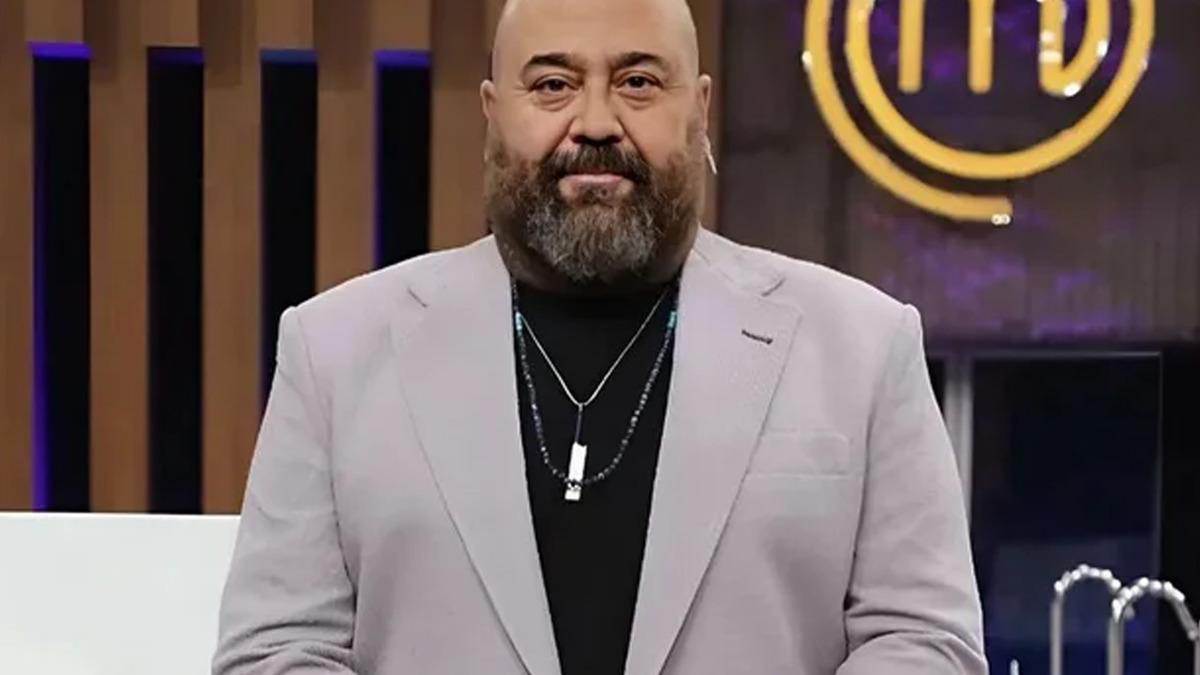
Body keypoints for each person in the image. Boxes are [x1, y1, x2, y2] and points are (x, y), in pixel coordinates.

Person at [212, 0, 986, 672]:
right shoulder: (335, 351)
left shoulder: (863, 347)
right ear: (492, 112)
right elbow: (275, 649)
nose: (594, 122)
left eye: (638, 82)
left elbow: (925, 641)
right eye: (552, 84)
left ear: (699, 108)